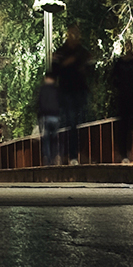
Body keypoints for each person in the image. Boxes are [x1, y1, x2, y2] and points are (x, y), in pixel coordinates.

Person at [47, 26, 94, 164]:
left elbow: (91, 69)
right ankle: (70, 155)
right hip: (66, 92)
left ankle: (77, 154)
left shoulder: (82, 52)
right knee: (70, 122)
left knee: (80, 122)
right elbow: (53, 72)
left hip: (80, 91)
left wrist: (84, 68)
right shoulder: (62, 52)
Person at [107, 43, 133, 161]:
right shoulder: (125, 63)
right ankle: (125, 153)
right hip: (125, 96)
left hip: (129, 96)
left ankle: (129, 153)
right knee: (125, 126)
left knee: (128, 126)